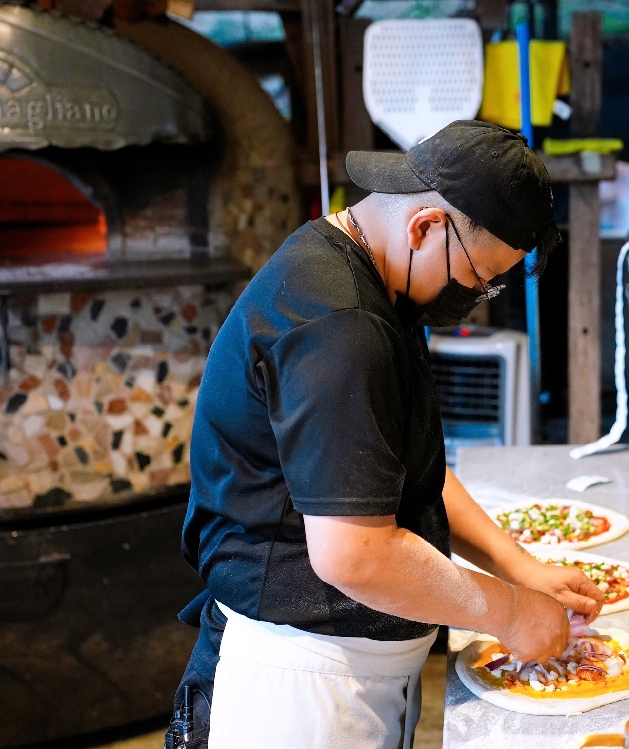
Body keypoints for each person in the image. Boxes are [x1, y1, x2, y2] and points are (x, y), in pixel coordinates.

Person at [168, 120, 605, 749]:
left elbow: (394, 470)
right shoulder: (339, 324)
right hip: (296, 686)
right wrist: (509, 613)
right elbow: (354, 554)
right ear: (425, 227)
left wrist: (515, 565)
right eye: (480, 277)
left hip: (347, 670)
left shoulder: (371, 275)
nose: (478, 296)